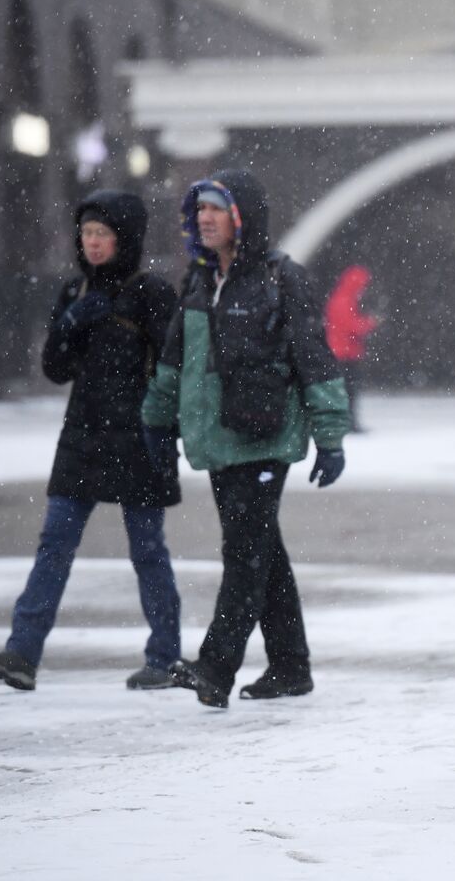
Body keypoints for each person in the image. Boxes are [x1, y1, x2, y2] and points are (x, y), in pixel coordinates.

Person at [142, 170, 351, 709]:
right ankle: (290, 666)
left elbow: (315, 359)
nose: (204, 218)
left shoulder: (282, 278)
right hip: (217, 439)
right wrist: (156, 424)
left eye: (216, 208)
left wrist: (330, 436)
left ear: (243, 218)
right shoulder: (197, 281)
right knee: (262, 554)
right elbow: (173, 364)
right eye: (200, 210)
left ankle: (215, 668)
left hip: (265, 438)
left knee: (244, 556)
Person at [0, 190, 182, 691]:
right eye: (86, 233)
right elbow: (55, 368)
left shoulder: (151, 292)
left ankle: (165, 657)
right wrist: (69, 324)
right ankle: (22, 653)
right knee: (55, 544)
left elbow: (176, 366)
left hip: (139, 437)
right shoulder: (74, 292)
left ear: (124, 239)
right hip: (83, 435)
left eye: (103, 234)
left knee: (147, 549)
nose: (92, 243)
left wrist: (164, 428)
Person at [324, 264, 378, 432]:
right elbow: (351, 326)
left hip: (344, 352)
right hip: (343, 353)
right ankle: (347, 423)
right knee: (348, 390)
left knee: (346, 391)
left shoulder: (342, 299)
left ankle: (345, 422)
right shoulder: (344, 301)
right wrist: (370, 323)